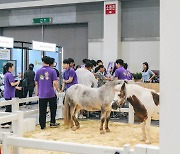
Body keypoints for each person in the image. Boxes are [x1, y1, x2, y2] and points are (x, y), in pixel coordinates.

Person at [35, 56, 60, 129]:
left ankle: (42, 125)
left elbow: (36, 83)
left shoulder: (38, 71)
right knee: (53, 108)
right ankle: (52, 122)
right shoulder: (53, 71)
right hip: (51, 93)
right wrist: (58, 89)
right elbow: (55, 82)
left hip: (42, 94)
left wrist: (37, 91)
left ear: (43, 62)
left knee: (42, 110)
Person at [1, 63, 20, 128]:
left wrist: (17, 87)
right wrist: (18, 82)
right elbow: (12, 84)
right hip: (10, 94)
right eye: (13, 67)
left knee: (9, 108)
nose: (13, 68)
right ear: (10, 67)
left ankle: (8, 122)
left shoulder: (6, 74)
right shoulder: (9, 75)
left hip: (7, 93)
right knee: (9, 109)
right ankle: (4, 122)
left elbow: (9, 85)